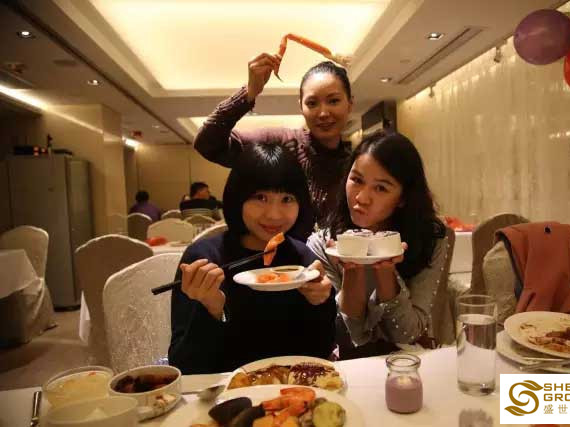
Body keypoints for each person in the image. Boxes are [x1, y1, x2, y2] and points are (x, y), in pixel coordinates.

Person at [169, 143, 336, 374]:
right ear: (238, 197)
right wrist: (212, 310)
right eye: (260, 197)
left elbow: (320, 352)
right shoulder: (204, 259)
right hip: (229, 391)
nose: (274, 215)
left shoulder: (302, 258)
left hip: (290, 390)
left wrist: (321, 302)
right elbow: (185, 367)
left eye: (287, 199)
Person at [307, 130, 449, 359]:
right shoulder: (324, 244)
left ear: (403, 198)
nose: (361, 198)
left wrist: (385, 271)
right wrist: (352, 269)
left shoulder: (430, 238)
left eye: (381, 188)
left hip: (413, 362)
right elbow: (352, 336)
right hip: (352, 366)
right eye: (357, 180)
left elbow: (407, 333)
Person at [193, 55, 354, 226]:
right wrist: (249, 92)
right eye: (312, 103)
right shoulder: (282, 143)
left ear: (350, 104)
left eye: (333, 101)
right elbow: (207, 143)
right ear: (301, 107)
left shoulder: (356, 165)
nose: (323, 113)